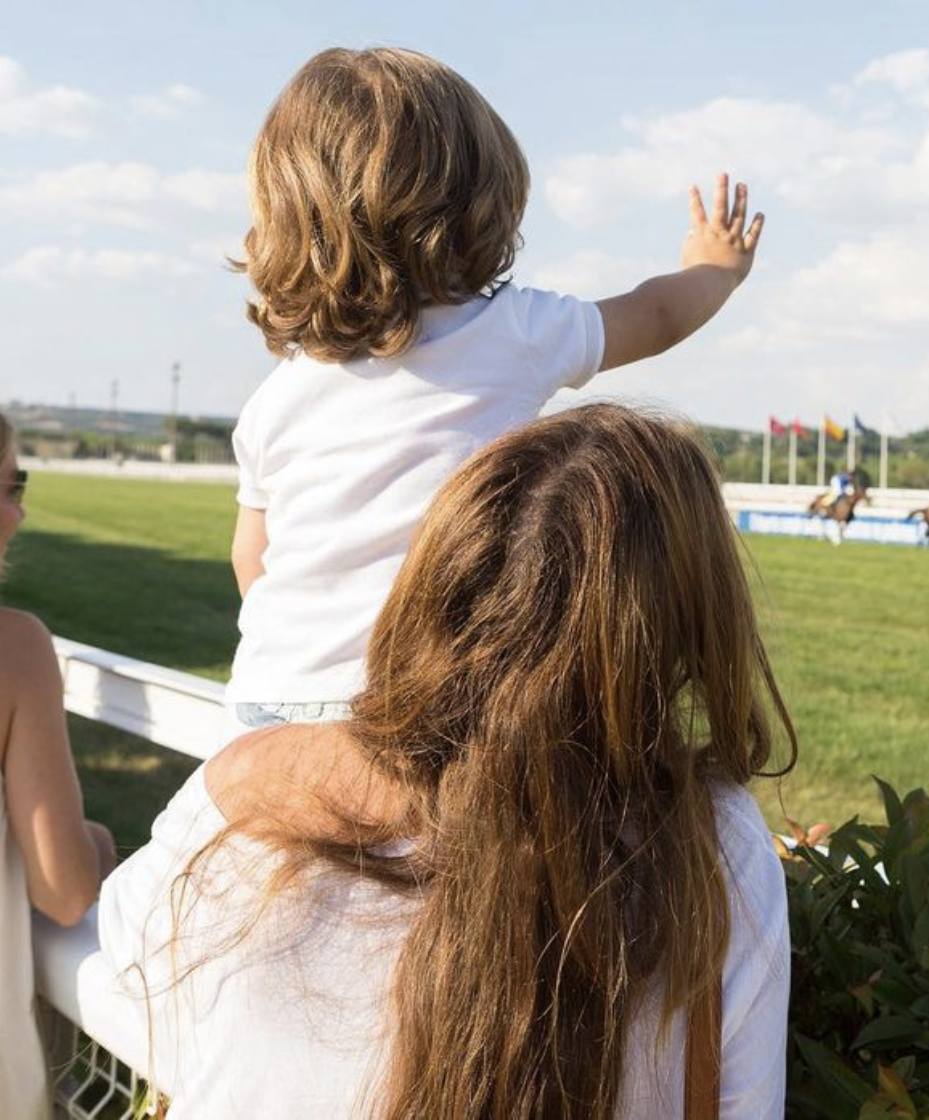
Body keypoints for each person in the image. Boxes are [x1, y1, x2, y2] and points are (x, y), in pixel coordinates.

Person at [100, 404, 796, 1118]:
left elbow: (127, 962)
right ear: (685, 628)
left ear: (432, 578)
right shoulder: (716, 842)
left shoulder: (257, 786)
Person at [224, 47, 763, 742]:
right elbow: (654, 317)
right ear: (484, 197)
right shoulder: (514, 330)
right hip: (427, 706)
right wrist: (716, 270)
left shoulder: (280, 393)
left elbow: (253, 558)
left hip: (266, 703)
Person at [0, 410, 117, 1120]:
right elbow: (65, 891)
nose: (15, 513)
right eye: (10, 486)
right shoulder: (15, 651)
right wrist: (99, 845)